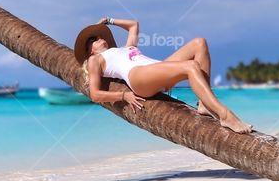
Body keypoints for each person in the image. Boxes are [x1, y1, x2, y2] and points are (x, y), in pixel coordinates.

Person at [74, 17, 253, 134]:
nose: (99, 39)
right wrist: (123, 95)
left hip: (156, 69)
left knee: (200, 43)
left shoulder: (123, 48)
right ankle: (225, 115)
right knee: (190, 66)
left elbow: (134, 24)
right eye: (93, 40)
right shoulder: (95, 60)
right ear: (90, 51)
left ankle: (205, 105)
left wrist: (109, 20)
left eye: (99, 36)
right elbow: (95, 94)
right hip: (138, 78)